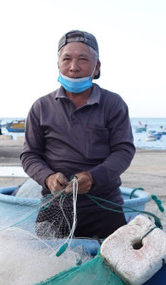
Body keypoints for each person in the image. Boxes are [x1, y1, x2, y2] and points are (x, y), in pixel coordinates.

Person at [21, 30, 135, 239]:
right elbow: (29, 155)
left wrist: (93, 177)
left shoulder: (113, 103)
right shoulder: (41, 106)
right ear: (58, 64)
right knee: (51, 267)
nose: (74, 67)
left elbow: (124, 151)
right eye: (67, 59)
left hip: (105, 208)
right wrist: (48, 178)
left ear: (97, 67)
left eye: (83, 59)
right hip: (54, 207)